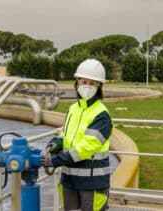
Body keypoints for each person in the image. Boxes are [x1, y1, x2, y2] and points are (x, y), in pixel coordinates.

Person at [41, 58, 113, 211]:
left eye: (92, 83)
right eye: (83, 81)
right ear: (76, 83)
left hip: (92, 182)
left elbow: (86, 148)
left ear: (99, 86)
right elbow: (66, 135)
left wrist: (56, 160)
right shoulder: (73, 109)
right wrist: (57, 143)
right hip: (69, 179)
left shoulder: (101, 115)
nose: (87, 86)